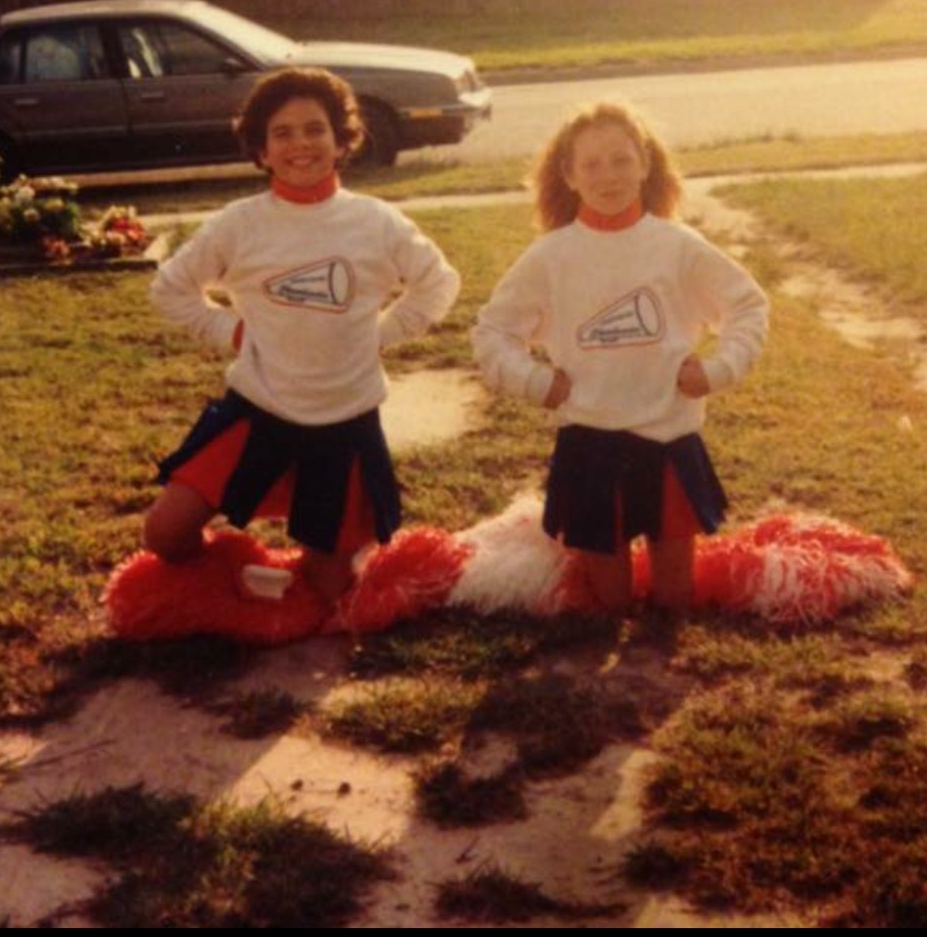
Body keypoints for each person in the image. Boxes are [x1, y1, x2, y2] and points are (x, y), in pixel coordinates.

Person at [145, 68, 460, 604]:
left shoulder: (376, 221)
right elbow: (170, 288)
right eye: (282, 133)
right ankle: (230, 586)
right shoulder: (238, 223)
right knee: (165, 535)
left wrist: (383, 333)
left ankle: (318, 567)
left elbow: (439, 282)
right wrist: (232, 331)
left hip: (344, 420)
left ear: (341, 140)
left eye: (315, 129)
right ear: (261, 149)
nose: (300, 145)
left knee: (330, 587)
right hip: (258, 409)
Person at [472, 101, 768, 613]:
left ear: (645, 164)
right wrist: (535, 382)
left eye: (621, 160)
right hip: (590, 444)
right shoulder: (551, 256)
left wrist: (717, 370)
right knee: (608, 606)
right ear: (568, 175)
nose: (607, 176)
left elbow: (749, 305)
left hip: (668, 436)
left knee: (676, 600)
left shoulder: (677, 245)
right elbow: (491, 332)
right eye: (591, 164)